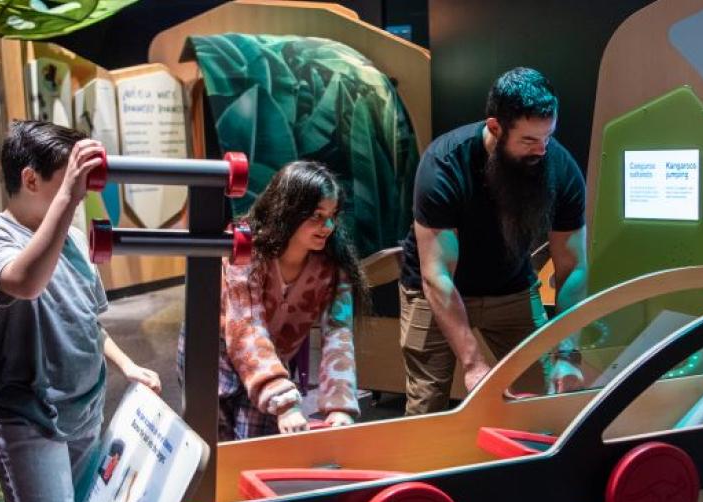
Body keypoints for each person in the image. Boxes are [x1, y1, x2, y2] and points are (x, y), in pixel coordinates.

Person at [0, 120, 162, 502]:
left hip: (81, 409)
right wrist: (68, 200)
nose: (79, 190)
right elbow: (24, 282)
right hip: (24, 415)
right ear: (31, 180)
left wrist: (127, 364)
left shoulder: (71, 239)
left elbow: (86, 322)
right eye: (68, 176)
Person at [398, 67, 589, 416]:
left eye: (548, 137)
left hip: (512, 287)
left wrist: (567, 354)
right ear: (495, 128)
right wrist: (472, 364)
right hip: (439, 290)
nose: (542, 150)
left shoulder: (559, 167)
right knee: (428, 406)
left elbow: (572, 266)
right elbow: (436, 274)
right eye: (529, 140)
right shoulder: (444, 164)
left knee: (541, 397)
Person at [213, 160, 367, 439]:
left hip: (270, 359)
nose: (328, 226)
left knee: (258, 444)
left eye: (332, 215)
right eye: (316, 217)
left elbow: (339, 334)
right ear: (287, 211)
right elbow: (245, 327)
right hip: (216, 353)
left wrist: (339, 405)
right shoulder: (246, 249)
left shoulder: (333, 266)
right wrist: (283, 401)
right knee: (215, 444)